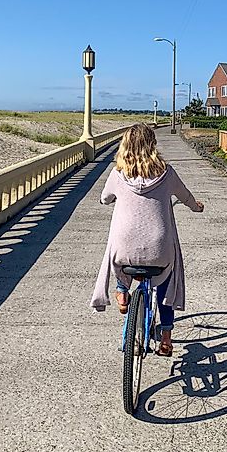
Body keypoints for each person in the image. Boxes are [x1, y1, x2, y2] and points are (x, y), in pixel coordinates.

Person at [90, 123, 203, 357]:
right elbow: (187, 197)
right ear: (152, 145)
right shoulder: (167, 172)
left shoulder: (117, 174)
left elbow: (104, 199)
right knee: (165, 286)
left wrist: (112, 199)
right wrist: (196, 207)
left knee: (119, 259)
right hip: (159, 248)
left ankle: (122, 290)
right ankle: (166, 341)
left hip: (125, 247)